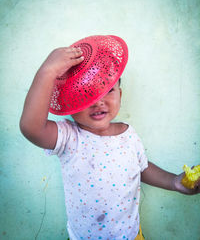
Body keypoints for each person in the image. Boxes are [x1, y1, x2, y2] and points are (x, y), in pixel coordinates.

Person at [20, 35, 200, 240]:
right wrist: (48, 72)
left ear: (120, 95)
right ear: (69, 103)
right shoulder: (69, 137)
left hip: (131, 236)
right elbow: (31, 128)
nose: (98, 101)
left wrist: (175, 182)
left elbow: (141, 168)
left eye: (107, 90)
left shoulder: (129, 135)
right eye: (86, 92)